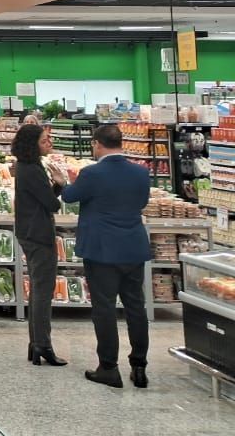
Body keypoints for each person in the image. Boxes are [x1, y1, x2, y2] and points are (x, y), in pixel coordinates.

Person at [60, 123, 151, 389]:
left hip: (101, 250)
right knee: (136, 307)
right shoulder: (141, 172)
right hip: (133, 247)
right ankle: (139, 366)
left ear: (97, 144)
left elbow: (69, 196)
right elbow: (142, 203)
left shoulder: (91, 173)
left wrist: (63, 181)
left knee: (105, 309)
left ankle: (109, 367)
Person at [11, 123, 68, 368]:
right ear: (32, 145)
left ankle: (36, 343)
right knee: (43, 291)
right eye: (45, 140)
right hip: (38, 234)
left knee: (38, 289)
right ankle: (43, 344)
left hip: (29, 231)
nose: (50, 143)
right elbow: (52, 204)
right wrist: (60, 184)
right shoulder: (32, 170)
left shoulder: (26, 167)